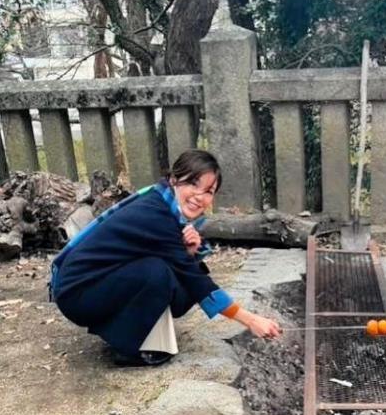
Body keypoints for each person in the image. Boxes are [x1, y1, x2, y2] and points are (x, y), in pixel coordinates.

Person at [49, 149, 282, 366]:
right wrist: (250, 320)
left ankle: (118, 328)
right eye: (193, 183)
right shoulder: (156, 214)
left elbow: (183, 271)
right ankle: (126, 347)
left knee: (179, 276)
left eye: (209, 191)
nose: (200, 197)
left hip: (95, 283)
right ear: (174, 179)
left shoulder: (161, 203)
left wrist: (188, 253)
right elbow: (196, 282)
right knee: (158, 273)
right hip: (78, 292)